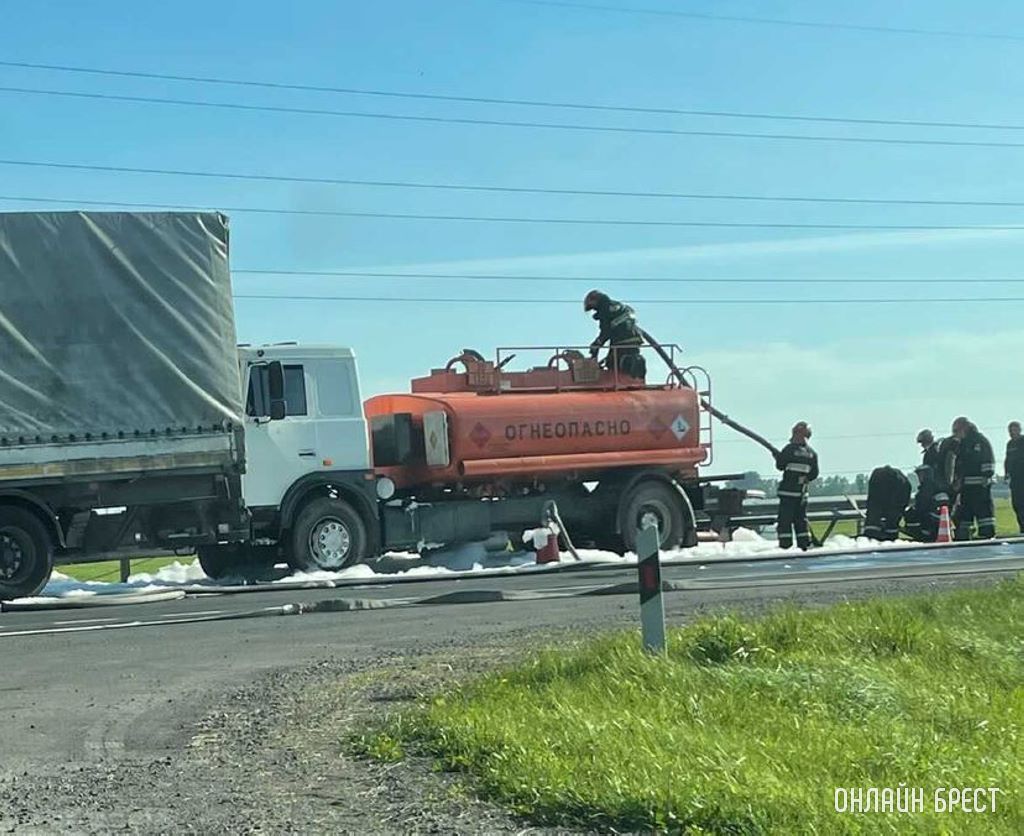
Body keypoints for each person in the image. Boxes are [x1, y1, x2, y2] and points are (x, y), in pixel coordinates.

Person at [774, 421, 819, 550]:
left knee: (785, 521)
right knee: (801, 520)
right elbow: (814, 474)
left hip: (787, 492)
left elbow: (780, 466)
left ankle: (785, 545)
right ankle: (804, 544)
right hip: (802, 494)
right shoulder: (812, 453)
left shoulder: (789, 449)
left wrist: (778, 457)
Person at [950, 416, 996, 540]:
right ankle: (965, 537)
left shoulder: (980, 441)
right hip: (965, 489)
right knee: (965, 516)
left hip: (980, 487)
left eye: (956, 431)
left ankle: (987, 537)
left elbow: (988, 461)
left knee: (984, 516)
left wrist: (986, 476)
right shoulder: (962, 444)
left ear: (964, 428)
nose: (955, 434)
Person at [583, 290, 646, 378]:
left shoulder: (604, 309)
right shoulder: (619, 306)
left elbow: (605, 332)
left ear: (595, 301)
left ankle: (624, 374)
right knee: (629, 356)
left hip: (621, 341)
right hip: (635, 339)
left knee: (612, 363)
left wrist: (596, 345)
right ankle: (635, 373)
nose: (594, 310)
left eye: (593, 308)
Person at [904, 464, 952, 542]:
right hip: (940, 520)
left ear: (926, 475)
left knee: (910, 515)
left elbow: (921, 507)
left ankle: (922, 535)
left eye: (920, 475)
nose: (919, 477)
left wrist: (909, 512)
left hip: (930, 521)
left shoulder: (926, 488)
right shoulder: (938, 486)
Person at [863, 465, 911, 541]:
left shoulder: (878, 477)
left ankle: (872, 537)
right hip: (895, 503)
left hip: (881, 505)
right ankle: (889, 537)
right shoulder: (902, 481)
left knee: (874, 524)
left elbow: (873, 502)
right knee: (892, 521)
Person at [1006, 420, 1024, 533]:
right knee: (1017, 504)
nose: (1012, 433)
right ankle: (1022, 527)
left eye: (1014, 430)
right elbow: (1008, 459)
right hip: (1015, 479)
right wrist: (1007, 472)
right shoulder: (1010, 444)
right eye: (1010, 431)